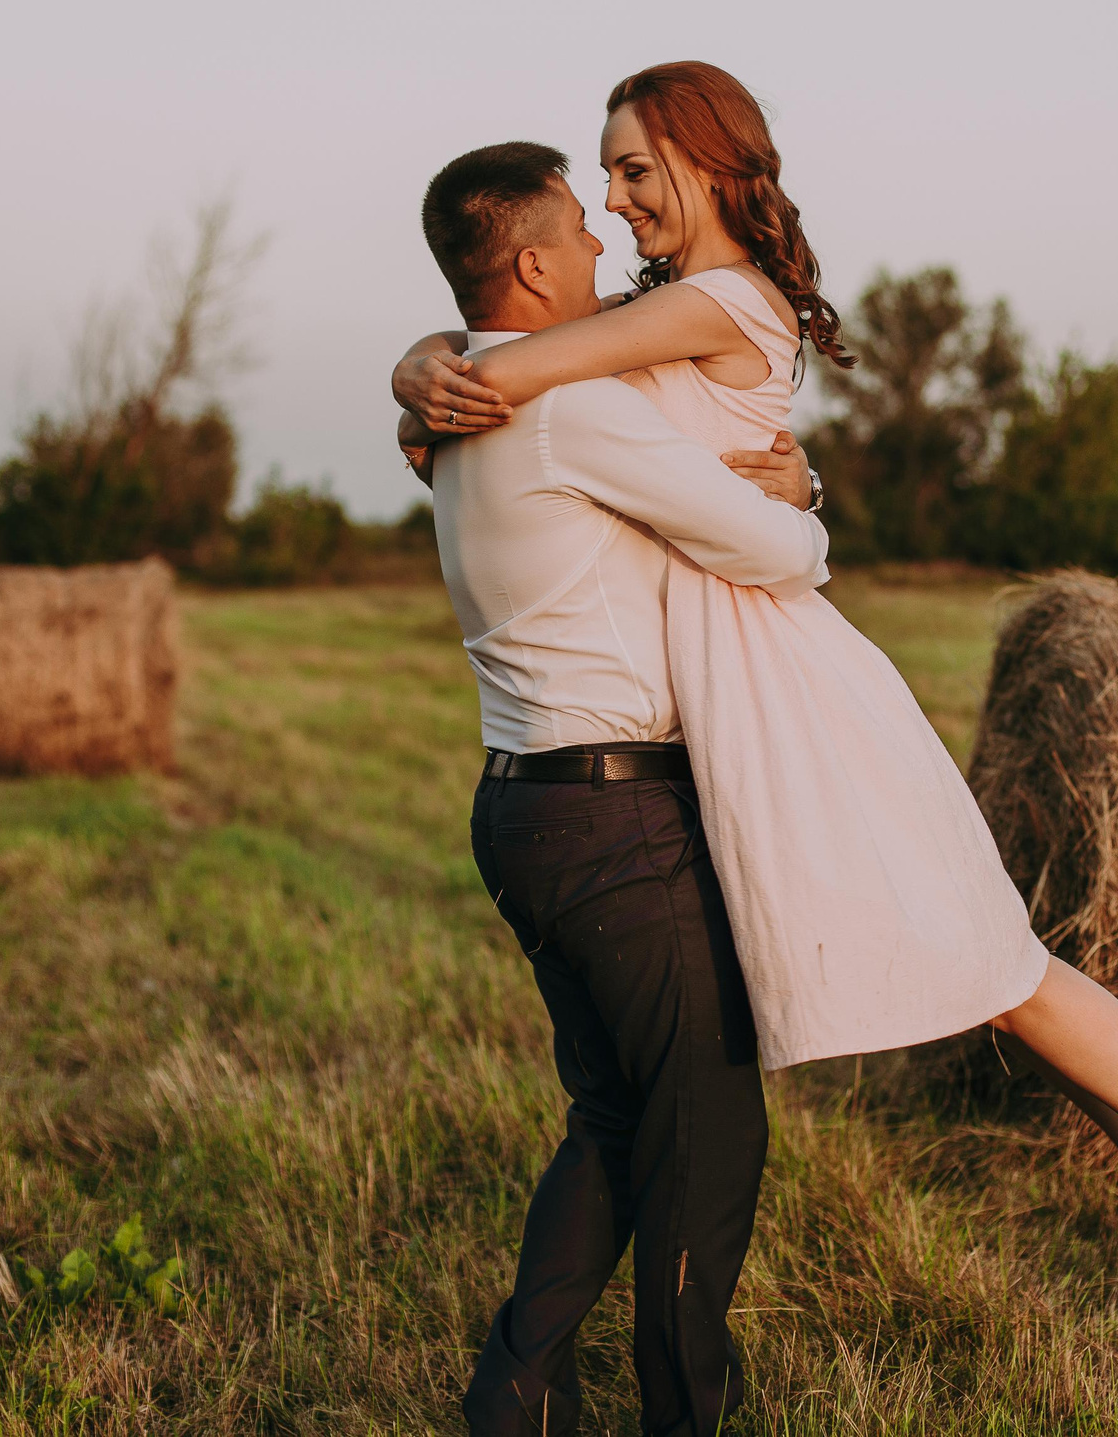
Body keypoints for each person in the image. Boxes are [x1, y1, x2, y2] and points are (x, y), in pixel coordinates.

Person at [396, 64, 1118, 1292]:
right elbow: (501, 343)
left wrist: (423, 374)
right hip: (726, 672)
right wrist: (420, 362)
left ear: (705, 158)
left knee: (984, 955)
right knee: (964, 958)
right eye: (603, 177)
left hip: (782, 672)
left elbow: (501, 368)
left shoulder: (720, 298)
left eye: (631, 169)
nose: (613, 202)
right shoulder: (656, 306)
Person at [416, 140, 826, 1436]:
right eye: (581, 235)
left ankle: (515, 1396)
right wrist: (807, 496)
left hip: (523, 805)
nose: (608, 248)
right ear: (532, 264)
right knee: (707, 1138)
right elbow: (770, 551)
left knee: (612, 1115)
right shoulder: (575, 407)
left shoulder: (462, 401)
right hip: (618, 819)